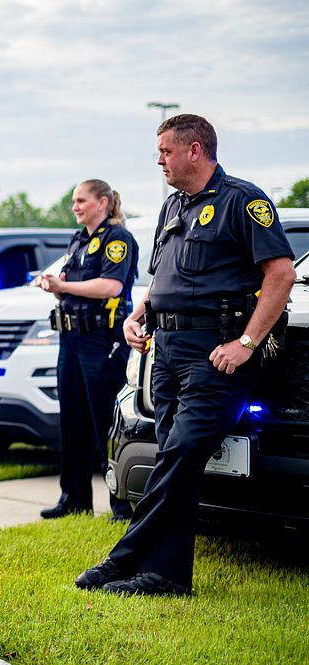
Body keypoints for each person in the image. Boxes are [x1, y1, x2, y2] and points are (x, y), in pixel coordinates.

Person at [76, 114, 296, 596]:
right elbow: (162, 279)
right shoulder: (173, 205)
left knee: (178, 453)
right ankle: (167, 576)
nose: (159, 160)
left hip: (214, 354)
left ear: (194, 150)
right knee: (177, 463)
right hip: (167, 351)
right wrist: (139, 316)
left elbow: (280, 275)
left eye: (165, 152)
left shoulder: (243, 200)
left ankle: (123, 558)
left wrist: (245, 344)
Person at [35, 179, 137, 522]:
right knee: (73, 420)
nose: (75, 206)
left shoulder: (117, 239)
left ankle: (122, 507)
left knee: (105, 422)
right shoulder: (79, 239)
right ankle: (74, 498)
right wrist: (54, 287)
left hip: (102, 341)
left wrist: (63, 285)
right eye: (74, 201)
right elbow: (70, 287)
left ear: (103, 202)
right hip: (71, 339)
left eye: (81, 200)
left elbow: (111, 285)